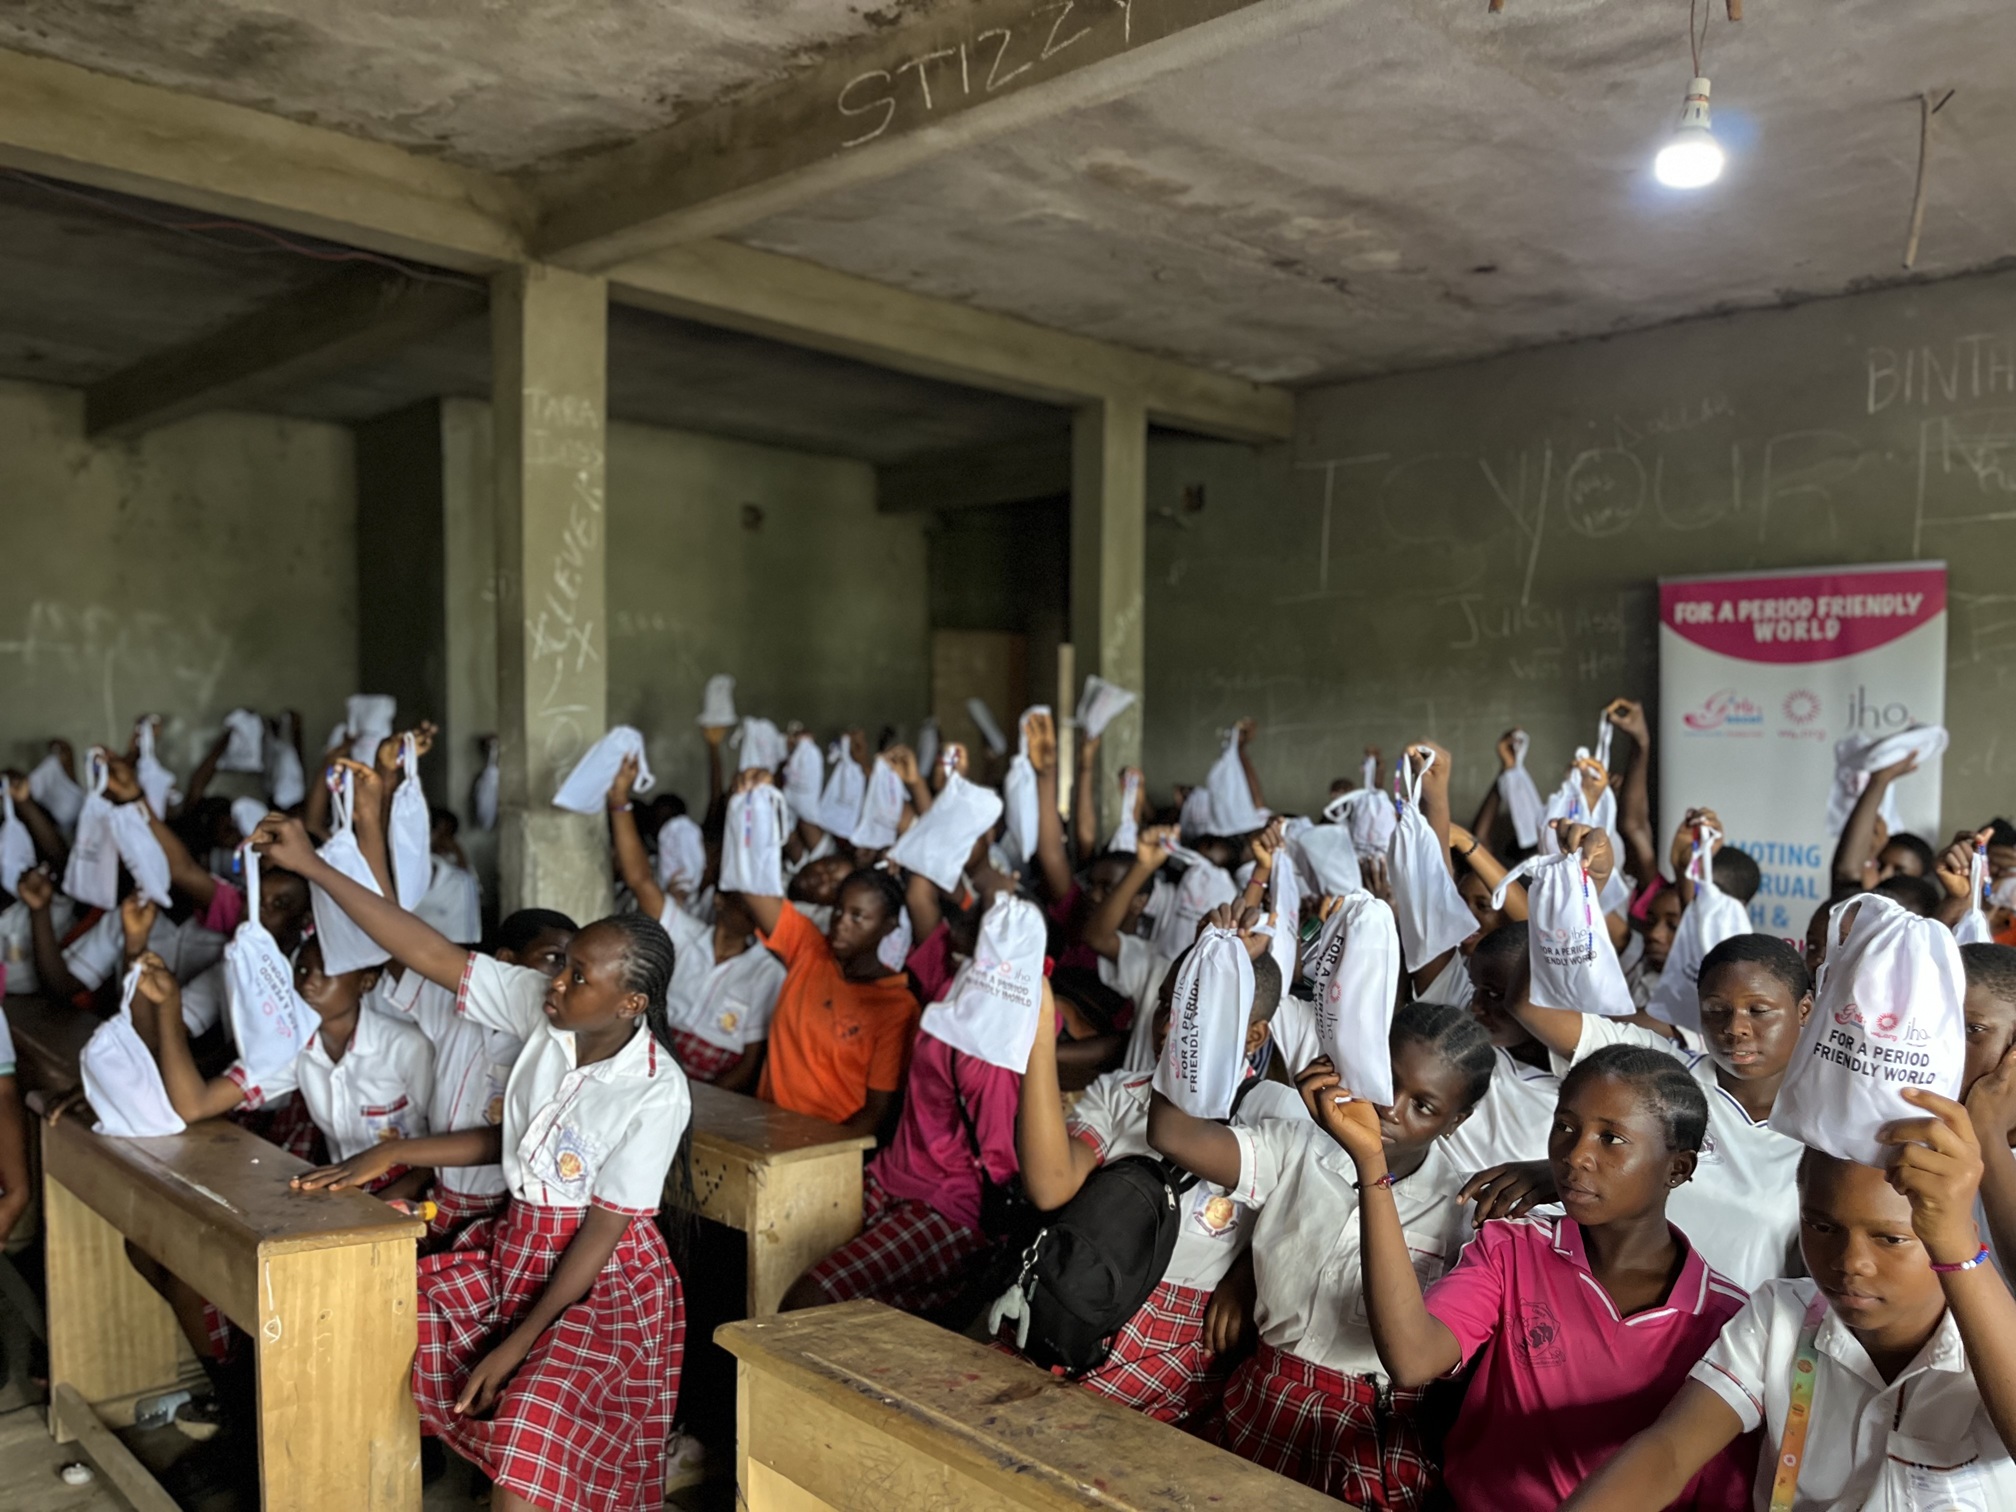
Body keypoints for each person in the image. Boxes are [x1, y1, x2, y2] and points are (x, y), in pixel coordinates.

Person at [262, 814, 690, 1512]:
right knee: (388, 1326)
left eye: (578, 976)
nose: (555, 983)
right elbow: (427, 951)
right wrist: (312, 867)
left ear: (630, 1002)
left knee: (527, 1446)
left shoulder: (654, 1090)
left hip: (599, 1284)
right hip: (517, 1247)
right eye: (561, 965)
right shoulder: (546, 1012)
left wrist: (516, 1345)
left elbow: (602, 1231)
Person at [1351, 1043, 1756, 1511]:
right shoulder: (1514, 1248)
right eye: (1565, 1127)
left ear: (1678, 1168)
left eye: (1612, 1139)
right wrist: (1372, 1169)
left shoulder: (1728, 1322)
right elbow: (1412, 1357)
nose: (1576, 1155)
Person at [1565, 1101, 2016, 1509]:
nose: (1850, 1263)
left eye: (1891, 1239)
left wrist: (1958, 1252)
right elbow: (1670, 1451)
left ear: (1952, 1233)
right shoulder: (1783, 1315)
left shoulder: (1995, 1339)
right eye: (1821, 1228)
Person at [1148, 1000, 1496, 1507]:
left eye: (1424, 1106)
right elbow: (1172, 1134)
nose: (1391, 1108)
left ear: (1455, 1121)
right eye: (1384, 1079)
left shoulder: (1462, 1214)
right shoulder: (1296, 1147)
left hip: (1367, 1429)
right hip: (1262, 1392)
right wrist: (1212, 986)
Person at [1012, 928, 1286, 1428]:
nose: (1172, 1025)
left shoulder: (1270, 1115)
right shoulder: (1125, 1092)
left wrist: (1247, 1271)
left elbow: (1294, 1219)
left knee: (1051, 1424)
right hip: (1084, 1298)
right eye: (1168, 1004)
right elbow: (1051, 1184)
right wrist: (1036, 1042)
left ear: (1253, 1036)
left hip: (1178, 1329)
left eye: (1200, 1009)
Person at [1513, 932, 1813, 1290]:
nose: (1735, 1028)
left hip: (1740, 1334)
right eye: (1716, 1010)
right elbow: (1528, 1006)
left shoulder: (1824, 1128)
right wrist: (1564, 893)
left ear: (1804, 1010)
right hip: (1619, 1310)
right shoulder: (1661, 1073)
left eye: (1759, 1011)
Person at [730, 769, 919, 1136]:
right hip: (763, 1130)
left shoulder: (897, 1007)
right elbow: (754, 892)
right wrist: (751, 810)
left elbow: (877, 1113)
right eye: (838, 911)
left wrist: (821, 1158)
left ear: (889, 926)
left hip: (824, 1147)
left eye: (858, 917)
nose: (841, 924)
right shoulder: (810, 950)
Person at [607, 755, 782, 1091]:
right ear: (718, 900)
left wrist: (695, 1105)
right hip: (652, 1068)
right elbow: (641, 880)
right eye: (745, 903)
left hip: (713, 1089)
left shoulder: (767, 972)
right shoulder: (684, 934)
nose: (756, 911)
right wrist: (619, 802)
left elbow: (749, 1065)